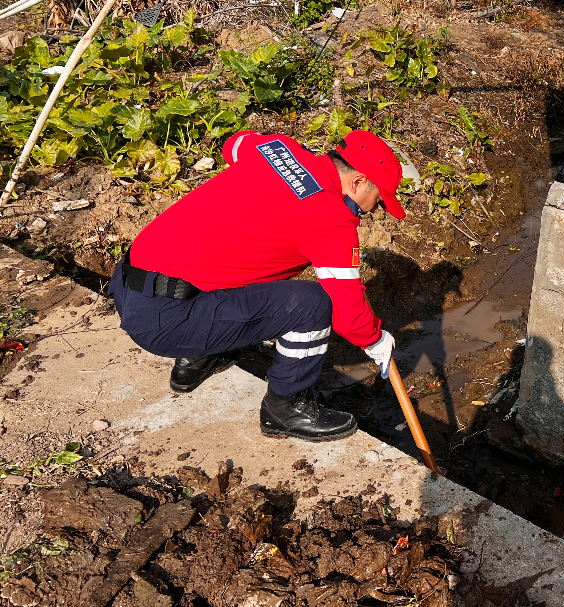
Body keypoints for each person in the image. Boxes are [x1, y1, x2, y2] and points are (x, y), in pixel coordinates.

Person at [109, 129, 405, 442]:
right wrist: (375, 340)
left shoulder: (277, 149)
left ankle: (198, 357)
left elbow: (231, 144)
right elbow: (350, 317)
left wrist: (288, 160)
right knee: (315, 303)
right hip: (166, 320)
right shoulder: (330, 219)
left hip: (131, 284)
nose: (374, 210)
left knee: (260, 266)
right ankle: (285, 408)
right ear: (357, 182)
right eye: (378, 200)